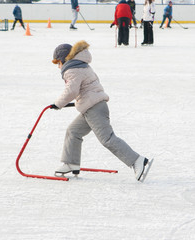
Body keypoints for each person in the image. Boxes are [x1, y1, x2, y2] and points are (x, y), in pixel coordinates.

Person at [51, 40, 151, 182]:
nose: (58, 67)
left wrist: (58, 104)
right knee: (73, 131)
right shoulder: (80, 65)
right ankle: (71, 162)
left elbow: (72, 90)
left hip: (94, 107)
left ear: (63, 59)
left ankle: (137, 161)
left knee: (107, 139)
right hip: (91, 106)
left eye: (58, 63)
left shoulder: (71, 69)